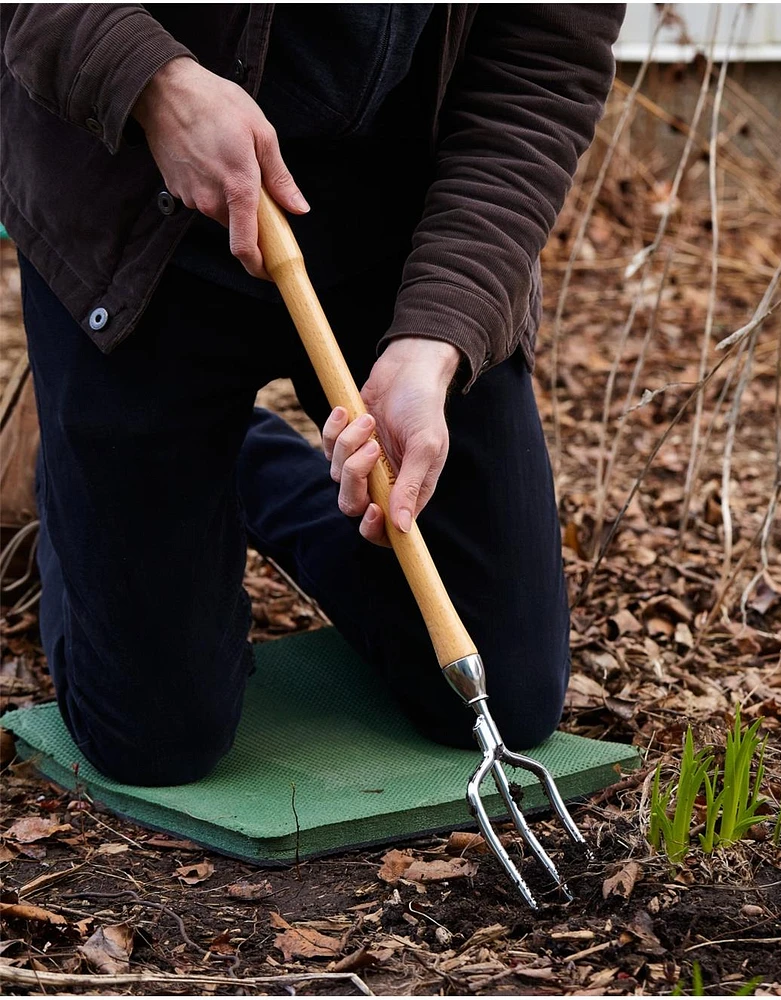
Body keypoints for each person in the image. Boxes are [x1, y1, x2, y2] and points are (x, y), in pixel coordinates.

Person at [0, 5, 625, 786]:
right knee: (155, 737)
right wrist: (154, 81)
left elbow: (537, 72)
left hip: (401, 237)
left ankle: (243, 460)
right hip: (141, 201)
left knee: (502, 692)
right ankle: (87, 479)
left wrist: (434, 342)